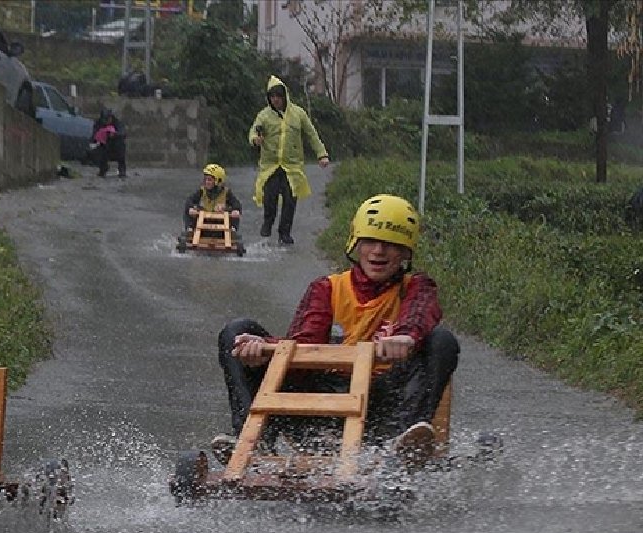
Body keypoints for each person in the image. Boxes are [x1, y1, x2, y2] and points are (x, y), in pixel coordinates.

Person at [215, 194, 459, 469]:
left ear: (405, 252)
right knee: (236, 331)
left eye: (390, 244)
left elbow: (420, 312)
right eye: (369, 241)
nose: (378, 251)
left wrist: (405, 337)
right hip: (324, 399)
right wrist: (262, 349)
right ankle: (252, 440)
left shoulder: (417, 287)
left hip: (382, 405)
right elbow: (304, 342)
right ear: (356, 244)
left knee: (442, 340)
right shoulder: (327, 287)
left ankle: (405, 444)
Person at [249, 76, 330, 246]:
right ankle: (268, 222)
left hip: (292, 167)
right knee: (269, 197)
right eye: (272, 96)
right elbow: (253, 132)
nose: (276, 100)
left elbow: (311, 135)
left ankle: (284, 232)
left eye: (279, 96)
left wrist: (321, 154)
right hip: (270, 166)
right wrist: (255, 139)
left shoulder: (298, 114)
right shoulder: (264, 116)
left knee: (289, 200)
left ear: (285, 95)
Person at [183, 163, 243, 242]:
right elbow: (189, 200)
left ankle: (232, 231)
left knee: (235, 214)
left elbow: (237, 204)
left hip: (220, 225)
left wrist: (233, 210)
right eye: (206, 179)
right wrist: (191, 208)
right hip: (204, 222)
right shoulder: (202, 191)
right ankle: (190, 229)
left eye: (209, 180)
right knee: (188, 210)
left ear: (218, 181)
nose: (206, 182)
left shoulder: (227, 192)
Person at [91, 108, 127, 178]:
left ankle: (122, 169)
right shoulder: (99, 123)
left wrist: (114, 134)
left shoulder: (117, 123)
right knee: (97, 151)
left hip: (115, 144)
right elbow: (94, 134)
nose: (106, 122)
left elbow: (123, 133)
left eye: (107, 119)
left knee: (121, 147)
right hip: (104, 145)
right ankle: (103, 168)